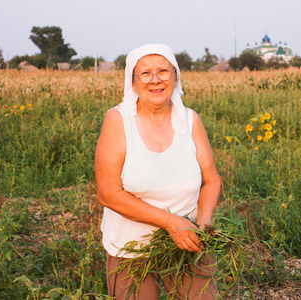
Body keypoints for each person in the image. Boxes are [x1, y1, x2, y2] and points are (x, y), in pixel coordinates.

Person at [94, 44, 221, 299]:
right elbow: (108, 194)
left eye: (163, 70)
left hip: (187, 241)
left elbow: (211, 180)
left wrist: (203, 224)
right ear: (133, 82)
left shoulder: (190, 120)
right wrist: (171, 223)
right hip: (131, 246)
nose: (155, 79)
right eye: (145, 73)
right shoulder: (118, 121)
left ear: (175, 76)